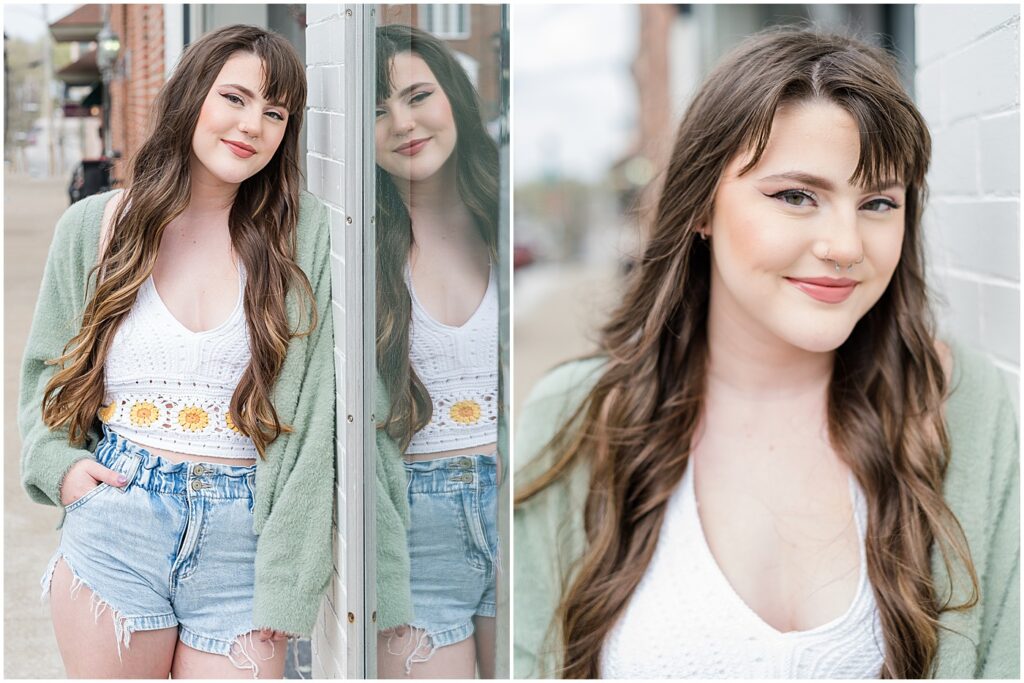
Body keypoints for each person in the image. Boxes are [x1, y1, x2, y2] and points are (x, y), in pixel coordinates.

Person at [514, 27, 1018, 679]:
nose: (845, 243)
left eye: (878, 202)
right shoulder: (574, 416)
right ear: (701, 206)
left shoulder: (959, 404)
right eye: (795, 195)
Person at [19, 25, 335, 679]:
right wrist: (62, 468)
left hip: (244, 542)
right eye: (236, 98)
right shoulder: (95, 227)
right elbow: (46, 368)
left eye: (275, 113)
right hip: (117, 523)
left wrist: (290, 577)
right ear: (193, 96)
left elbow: (314, 424)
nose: (253, 124)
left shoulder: (304, 239)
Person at [373, 23, 501, 679]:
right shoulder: (356, 247)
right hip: (414, 532)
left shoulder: (505, 218)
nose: (402, 122)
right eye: (378, 109)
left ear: (453, 94)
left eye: (418, 95)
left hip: (515, 498)